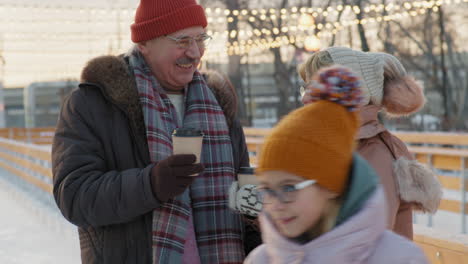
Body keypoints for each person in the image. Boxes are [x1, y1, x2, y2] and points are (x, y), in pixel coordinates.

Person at [52, 0, 252, 262]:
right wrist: (150, 184)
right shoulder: (94, 104)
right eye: (182, 41)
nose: (194, 53)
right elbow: (74, 196)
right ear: (144, 43)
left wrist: (256, 221)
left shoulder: (220, 105)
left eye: (200, 39)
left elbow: (241, 195)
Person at [245, 66, 428, 264]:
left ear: (330, 185)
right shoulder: (262, 259)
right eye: (266, 190)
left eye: (288, 187)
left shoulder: (397, 258)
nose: (276, 205)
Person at [298, 47, 442, 240]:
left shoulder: (374, 154)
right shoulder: (327, 146)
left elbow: (363, 242)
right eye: (307, 87)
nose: (306, 97)